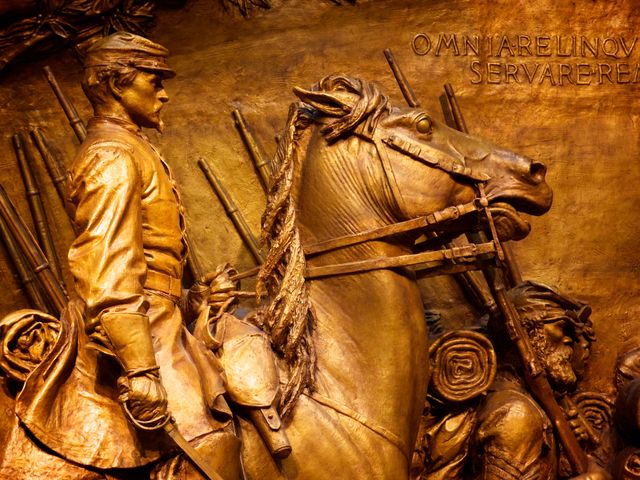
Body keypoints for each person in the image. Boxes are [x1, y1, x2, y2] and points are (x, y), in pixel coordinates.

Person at [15, 31, 243, 480]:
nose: (164, 93)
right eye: (153, 80)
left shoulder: (134, 148)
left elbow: (151, 259)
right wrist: (140, 368)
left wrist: (196, 295)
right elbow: (107, 267)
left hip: (164, 322)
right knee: (211, 452)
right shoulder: (112, 155)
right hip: (141, 333)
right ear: (117, 84)